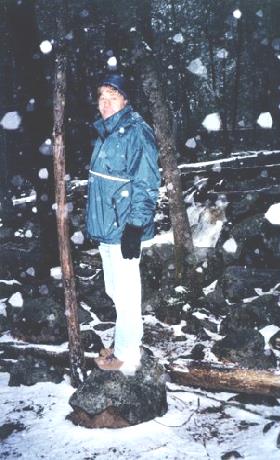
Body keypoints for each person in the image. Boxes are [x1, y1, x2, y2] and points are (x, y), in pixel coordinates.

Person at [85, 73, 161, 374]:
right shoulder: (107, 132)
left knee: (127, 293)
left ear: (125, 101)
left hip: (125, 229)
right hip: (107, 229)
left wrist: (135, 227)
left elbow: (146, 184)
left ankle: (128, 355)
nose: (104, 104)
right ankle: (122, 343)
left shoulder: (137, 132)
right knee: (114, 289)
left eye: (112, 98)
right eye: (101, 98)